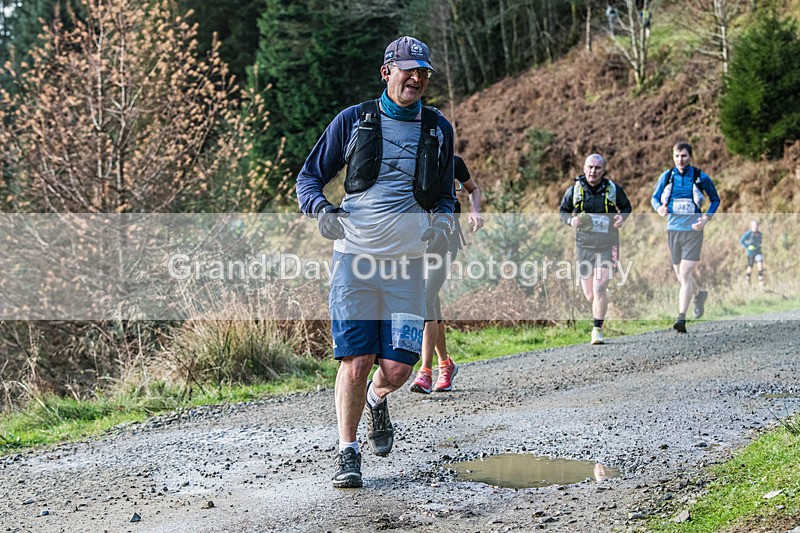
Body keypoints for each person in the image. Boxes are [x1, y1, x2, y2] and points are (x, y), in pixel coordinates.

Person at [296, 36, 455, 488]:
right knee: (356, 358)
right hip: (355, 263)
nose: (417, 77)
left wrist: (444, 221)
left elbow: (445, 196)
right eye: (409, 69)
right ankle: (348, 452)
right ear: (386, 72)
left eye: (424, 71)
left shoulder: (438, 128)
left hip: (407, 265)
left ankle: (377, 399)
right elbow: (308, 178)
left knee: (398, 370)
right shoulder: (353, 121)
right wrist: (321, 210)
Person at [410, 155, 484, 394]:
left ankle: (425, 372)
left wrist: (475, 211)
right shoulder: (411, 159)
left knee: (426, 297)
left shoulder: (454, 162)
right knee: (432, 303)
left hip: (447, 239)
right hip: (417, 239)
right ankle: (446, 364)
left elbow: (474, 189)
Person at [560, 154, 631, 345]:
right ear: (584, 168)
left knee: (600, 287)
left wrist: (621, 218)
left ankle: (596, 330)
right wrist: (570, 220)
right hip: (584, 246)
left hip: (608, 245)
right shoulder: (574, 191)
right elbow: (563, 211)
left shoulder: (612, 189)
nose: (593, 171)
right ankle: (600, 308)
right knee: (590, 295)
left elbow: (626, 207)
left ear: (603, 170)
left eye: (597, 168)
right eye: (590, 167)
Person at [651, 141, 721, 333]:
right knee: (681, 277)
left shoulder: (700, 177)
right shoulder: (666, 177)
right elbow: (654, 198)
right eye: (676, 156)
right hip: (673, 230)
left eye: (684, 156)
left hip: (693, 231)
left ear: (690, 156)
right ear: (672, 157)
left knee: (686, 273)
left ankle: (681, 318)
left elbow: (715, 199)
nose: (680, 160)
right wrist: (659, 209)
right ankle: (699, 294)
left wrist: (706, 218)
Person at [740, 220, 765, 286]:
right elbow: (741, 241)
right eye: (754, 226)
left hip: (758, 252)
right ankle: (747, 280)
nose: (756, 227)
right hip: (750, 253)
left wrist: (758, 246)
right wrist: (747, 246)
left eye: (757, 225)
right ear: (752, 226)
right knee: (750, 267)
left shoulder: (760, 234)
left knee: (760, 265)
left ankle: (760, 281)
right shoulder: (748, 233)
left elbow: (759, 242)